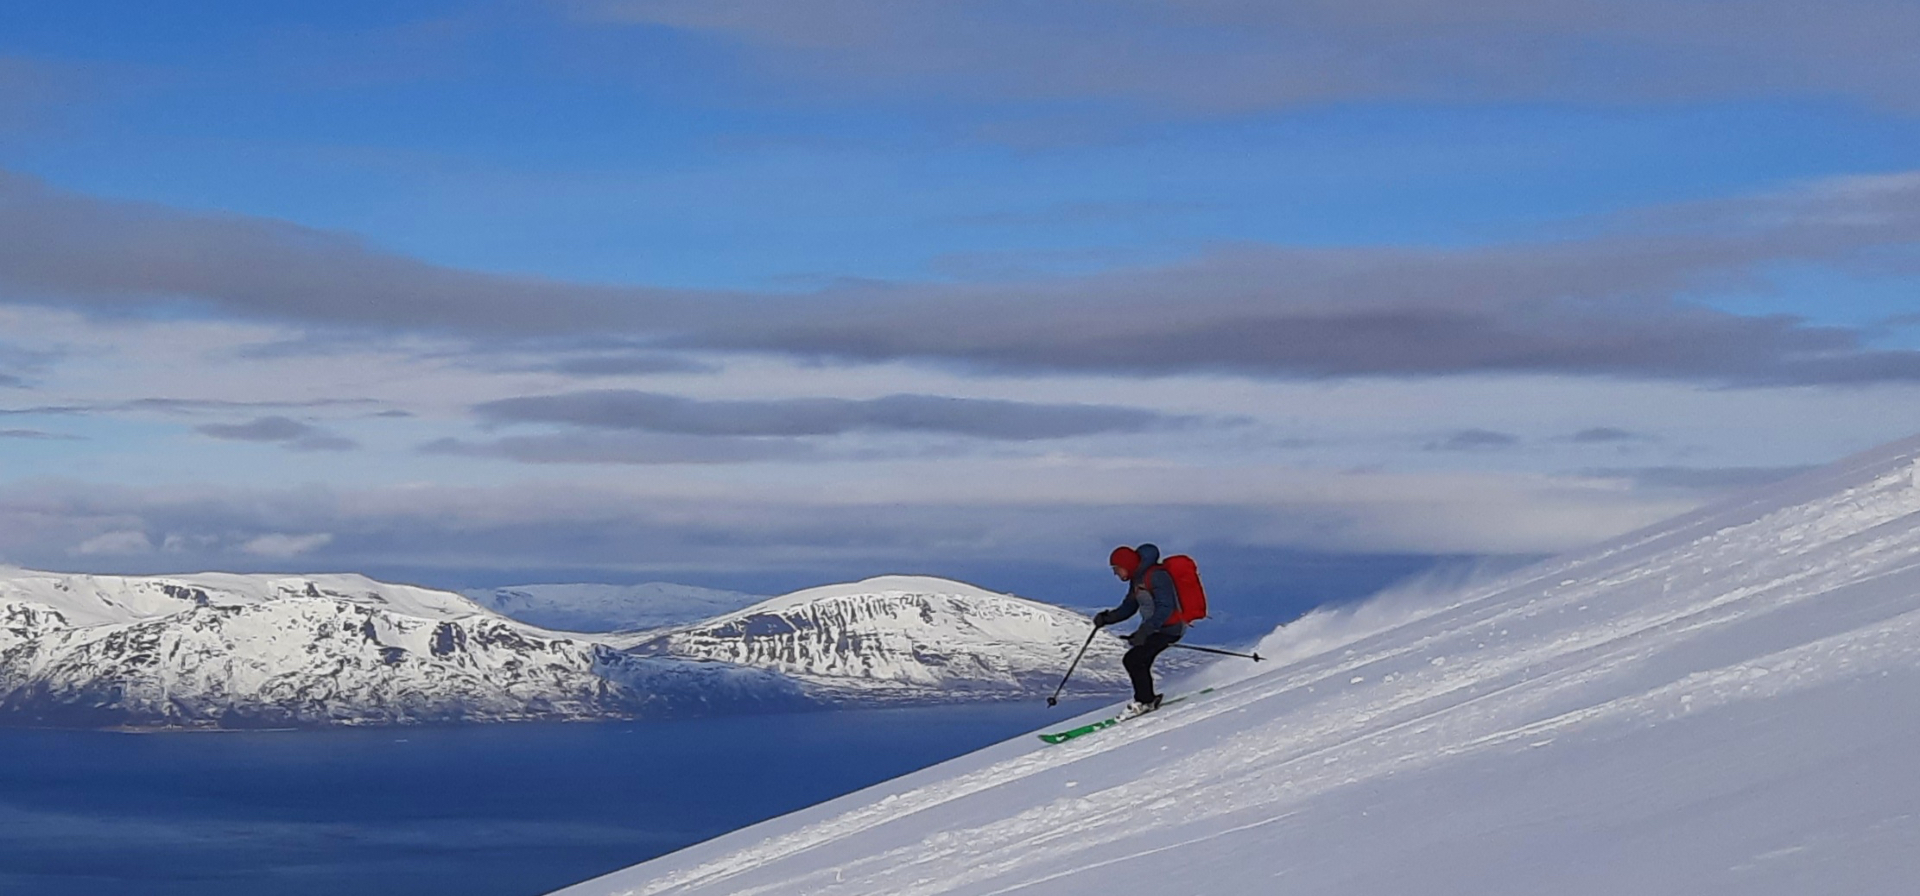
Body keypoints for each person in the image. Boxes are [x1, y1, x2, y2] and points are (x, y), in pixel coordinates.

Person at [1092, 542, 1184, 718]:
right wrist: (1107, 618)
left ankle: (1145, 701)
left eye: (1117, 568)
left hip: (1169, 628)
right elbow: (1129, 607)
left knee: (1134, 659)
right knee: (1139, 660)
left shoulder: (1156, 576)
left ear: (1127, 565)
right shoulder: (1138, 579)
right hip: (1155, 629)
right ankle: (1147, 699)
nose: (1115, 573)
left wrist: (1144, 631)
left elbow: (1166, 607)